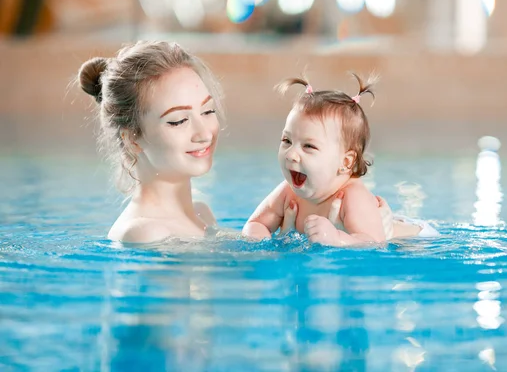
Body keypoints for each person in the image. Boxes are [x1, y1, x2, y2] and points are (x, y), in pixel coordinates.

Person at [78, 40, 350, 243]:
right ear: (132, 138)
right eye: (178, 120)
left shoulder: (201, 215)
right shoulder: (145, 233)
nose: (203, 132)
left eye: (207, 111)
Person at [242, 75, 438, 247]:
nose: (291, 154)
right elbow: (256, 223)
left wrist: (337, 239)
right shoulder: (288, 191)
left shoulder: (352, 197)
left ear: (345, 162)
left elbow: (374, 243)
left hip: (416, 237)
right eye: (286, 141)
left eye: (309, 146)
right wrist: (262, 245)